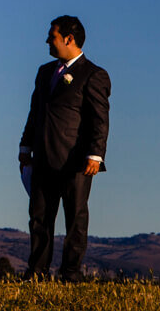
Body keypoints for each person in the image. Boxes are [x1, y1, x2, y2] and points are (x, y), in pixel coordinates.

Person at [20, 15, 110, 281]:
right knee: (39, 219)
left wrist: (95, 154)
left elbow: (99, 119)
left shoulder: (93, 74)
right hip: (43, 158)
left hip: (76, 162)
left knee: (75, 219)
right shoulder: (45, 72)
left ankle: (71, 272)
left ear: (69, 39)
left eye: (52, 36)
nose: (48, 40)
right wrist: (26, 146)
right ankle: (36, 271)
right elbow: (35, 112)